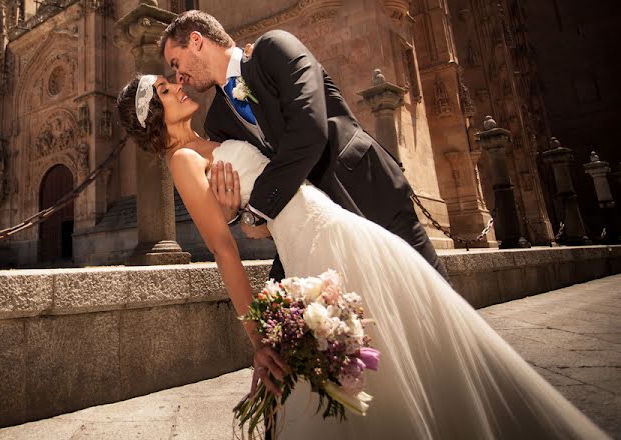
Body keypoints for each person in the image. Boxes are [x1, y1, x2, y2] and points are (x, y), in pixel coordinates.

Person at [116, 73, 608, 439]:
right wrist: (258, 340)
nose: (178, 85)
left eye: (170, 80)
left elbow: (257, 226)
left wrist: (246, 216)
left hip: (327, 229)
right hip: (315, 242)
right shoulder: (183, 159)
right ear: (154, 117)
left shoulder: (208, 143)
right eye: (163, 89)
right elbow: (225, 253)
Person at [158, 11, 447, 285]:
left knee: (434, 301)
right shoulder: (217, 121)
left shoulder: (274, 48)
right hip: (312, 226)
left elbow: (309, 130)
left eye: (176, 63)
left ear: (196, 41)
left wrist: (257, 209)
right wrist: (231, 209)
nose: (179, 77)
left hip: (366, 189)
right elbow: (247, 174)